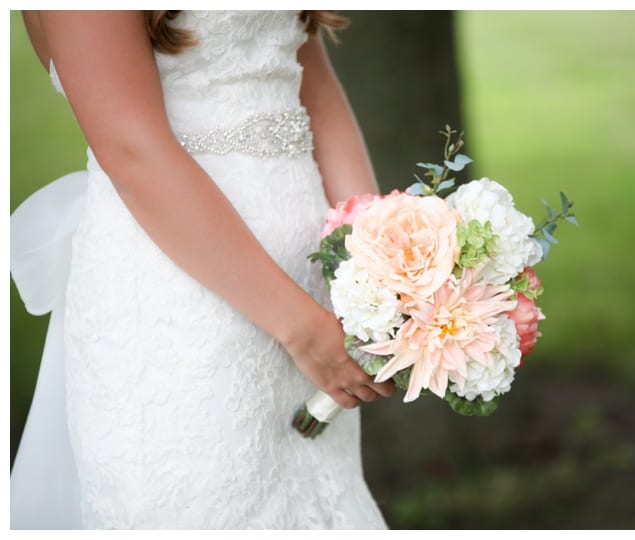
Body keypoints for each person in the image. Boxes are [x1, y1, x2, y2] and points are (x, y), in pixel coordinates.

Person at [10, 10, 395, 529]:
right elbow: (131, 149)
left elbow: (313, 87)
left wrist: (379, 270)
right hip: (181, 307)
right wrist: (302, 330)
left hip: (317, 298)